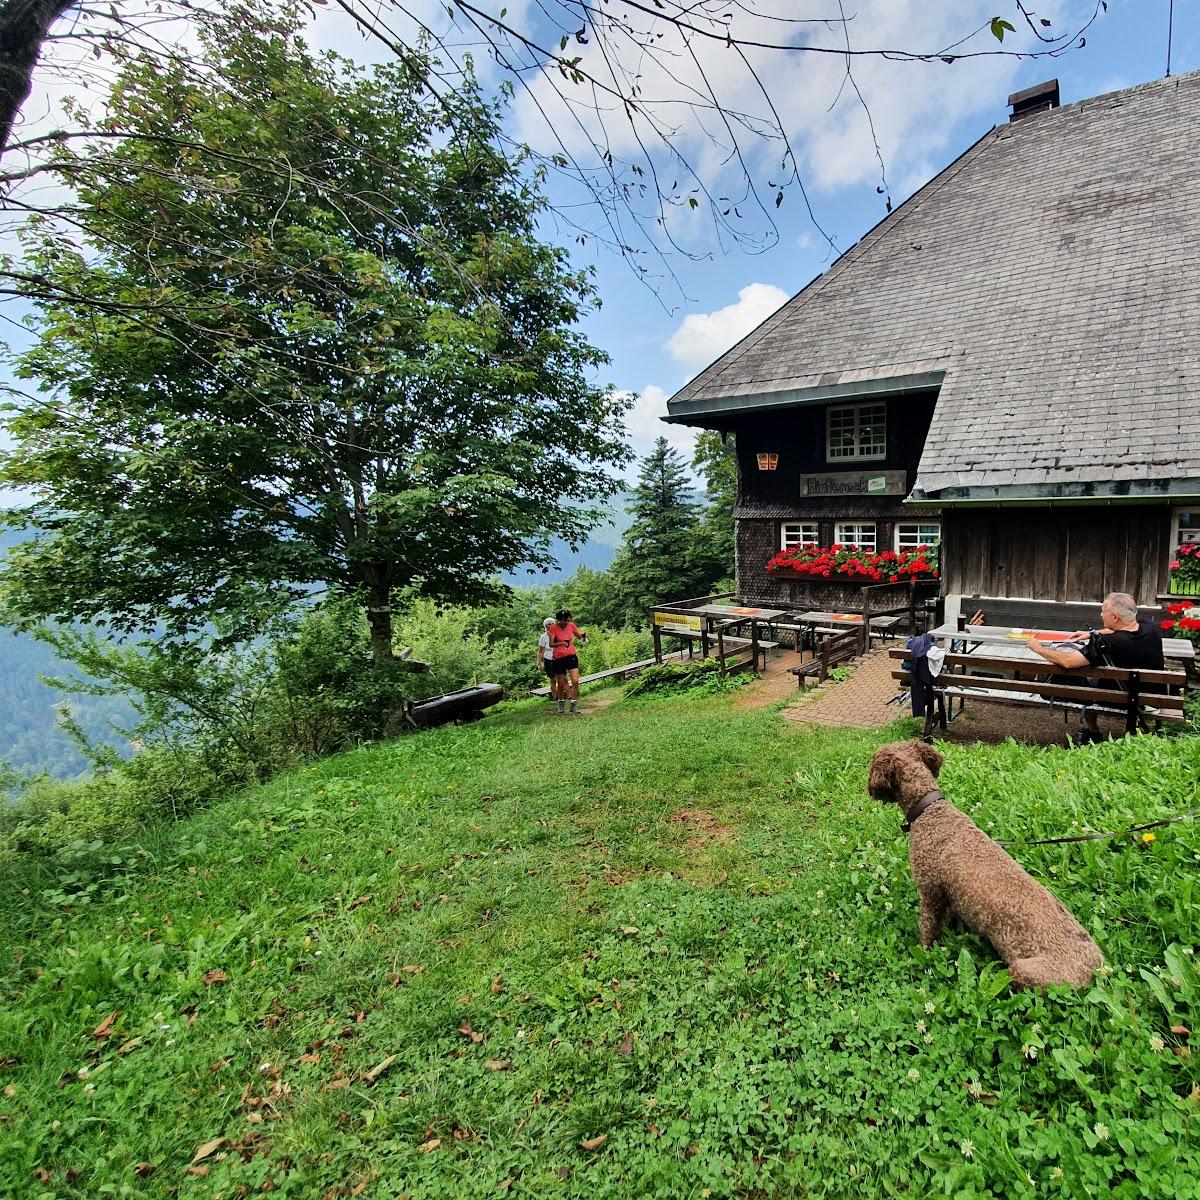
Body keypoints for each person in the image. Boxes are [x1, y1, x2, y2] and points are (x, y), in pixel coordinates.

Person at [1025, 591, 1164, 741]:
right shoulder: (1151, 628)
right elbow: (1121, 629)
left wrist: (1038, 648)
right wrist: (1092, 633)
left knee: (1082, 675)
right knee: (1096, 676)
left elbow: (1068, 661)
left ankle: (1092, 731)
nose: (1101, 615)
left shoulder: (1106, 643)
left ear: (1115, 617)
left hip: (1118, 698)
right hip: (1149, 696)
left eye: (1103, 612)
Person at [548, 608, 588, 715]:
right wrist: (561, 643)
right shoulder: (553, 628)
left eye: (567, 620)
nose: (565, 623)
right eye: (563, 620)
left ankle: (573, 704)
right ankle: (561, 703)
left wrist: (584, 636)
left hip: (571, 656)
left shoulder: (571, 625)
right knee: (560, 683)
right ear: (558, 620)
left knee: (575, 681)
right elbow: (551, 644)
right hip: (558, 658)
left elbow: (579, 637)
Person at [536, 617, 565, 712]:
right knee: (553, 679)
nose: (551, 625)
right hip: (548, 659)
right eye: (548, 624)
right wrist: (539, 664)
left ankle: (566, 696)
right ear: (546, 626)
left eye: (552, 623)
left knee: (563, 678)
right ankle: (555, 697)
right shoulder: (543, 637)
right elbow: (540, 652)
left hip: (559, 658)